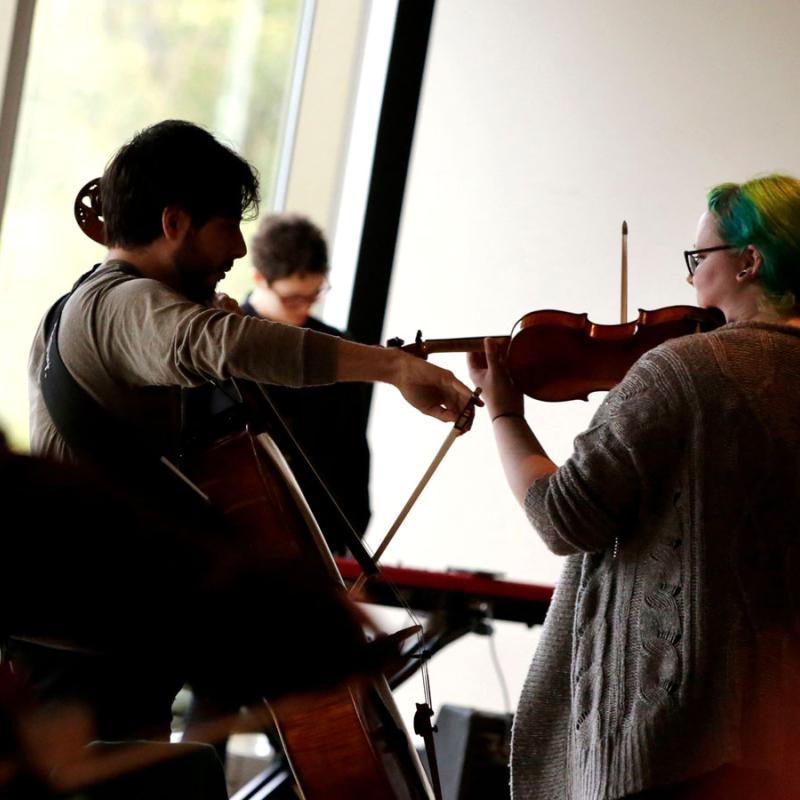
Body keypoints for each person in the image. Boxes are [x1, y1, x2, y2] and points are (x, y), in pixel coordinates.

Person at [20, 119, 474, 747]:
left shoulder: (82, 307)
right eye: (226, 225)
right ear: (174, 222)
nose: (237, 249)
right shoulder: (120, 306)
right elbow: (225, 344)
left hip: (97, 635)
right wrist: (394, 367)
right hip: (86, 653)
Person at [468, 174, 800, 799]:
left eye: (699, 258)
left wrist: (505, 412)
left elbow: (562, 516)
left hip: (671, 743)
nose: (688, 277)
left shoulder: (682, 369)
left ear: (750, 261)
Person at [241, 212, 371, 550]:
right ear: (259, 279)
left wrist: (349, 542)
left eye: (313, 295)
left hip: (323, 538)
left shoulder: (337, 349)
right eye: (292, 298)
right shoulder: (225, 345)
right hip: (243, 534)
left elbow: (353, 456)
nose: (304, 307)